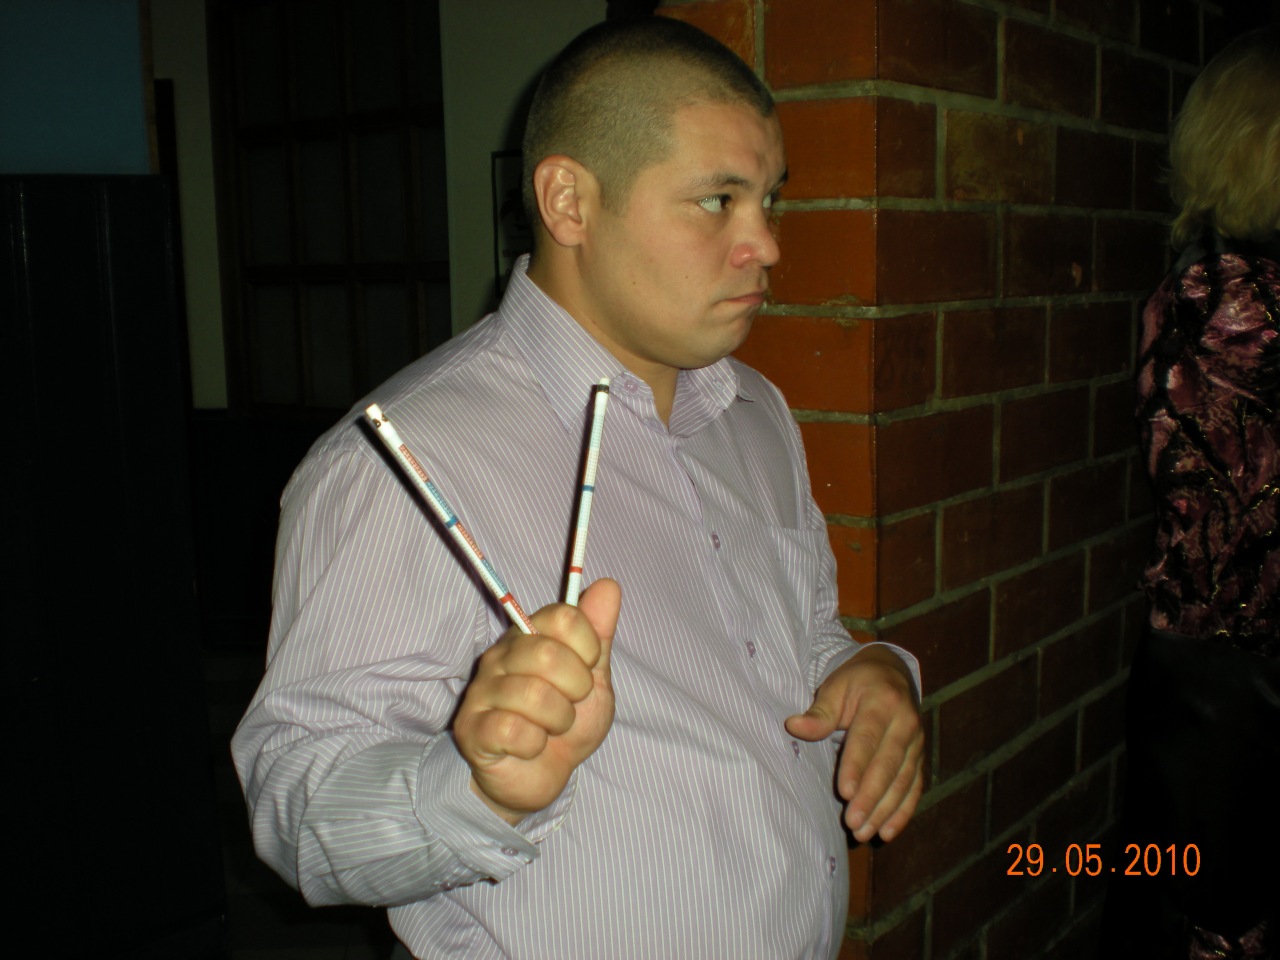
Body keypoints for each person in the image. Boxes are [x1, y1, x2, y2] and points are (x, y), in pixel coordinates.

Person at [233, 16, 923, 960]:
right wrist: (477, 788)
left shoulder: (754, 411)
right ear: (568, 202)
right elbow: (294, 806)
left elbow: (802, 634)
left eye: (769, 199)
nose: (765, 244)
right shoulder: (397, 461)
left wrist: (868, 671)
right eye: (717, 200)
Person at [1102, 25, 1278, 960]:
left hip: (1212, 665)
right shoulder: (1231, 296)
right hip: (1229, 678)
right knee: (1207, 915)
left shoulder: (1203, 284)